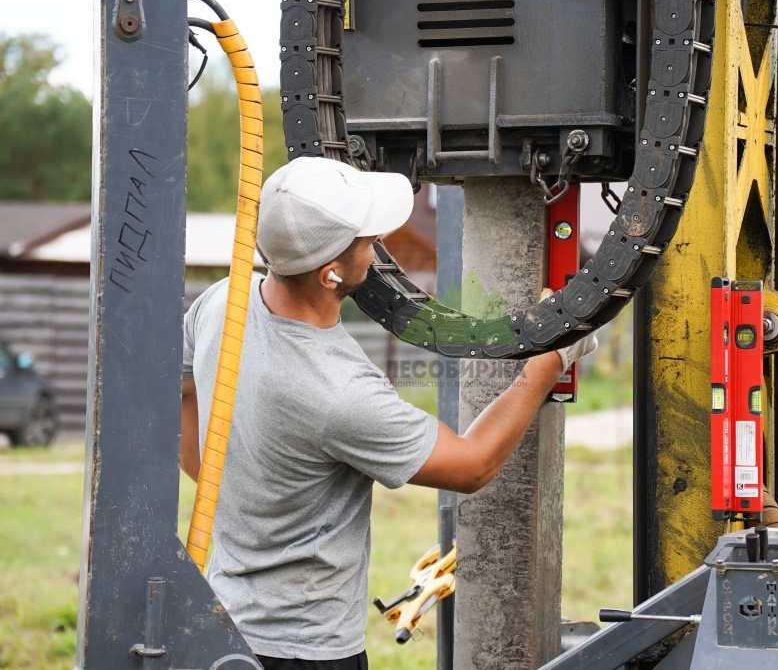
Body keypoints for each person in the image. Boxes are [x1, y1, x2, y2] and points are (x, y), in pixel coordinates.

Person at [180, 156, 597, 670]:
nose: (378, 243)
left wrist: (246, 489)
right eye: (365, 240)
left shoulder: (222, 303)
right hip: (304, 652)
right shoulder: (338, 389)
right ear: (331, 273)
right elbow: (471, 465)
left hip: (220, 630)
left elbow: (181, 399)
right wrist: (547, 364)